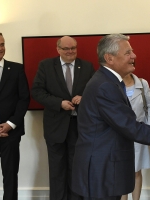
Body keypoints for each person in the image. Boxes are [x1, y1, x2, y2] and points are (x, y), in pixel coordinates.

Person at [71, 33, 150, 200]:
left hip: (105, 170)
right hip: (101, 172)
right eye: (128, 52)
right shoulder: (105, 86)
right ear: (110, 58)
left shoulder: (109, 81)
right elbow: (130, 127)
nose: (134, 56)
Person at [31, 36, 95, 200]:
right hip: (55, 126)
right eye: (66, 49)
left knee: (77, 168)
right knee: (57, 169)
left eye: (73, 48)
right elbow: (37, 91)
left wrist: (83, 97)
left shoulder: (87, 66)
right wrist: (59, 103)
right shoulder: (46, 65)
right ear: (58, 49)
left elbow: (96, 91)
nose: (70, 51)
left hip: (80, 126)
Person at [0, 31, 30, 199]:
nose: (0, 48)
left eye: (2, 44)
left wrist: (11, 124)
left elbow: (24, 99)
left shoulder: (17, 69)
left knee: (11, 176)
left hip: (10, 133)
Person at [121, 73, 150, 200]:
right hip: (119, 134)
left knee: (136, 171)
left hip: (138, 133)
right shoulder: (112, 83)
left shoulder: (142, 83)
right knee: (121, 172)